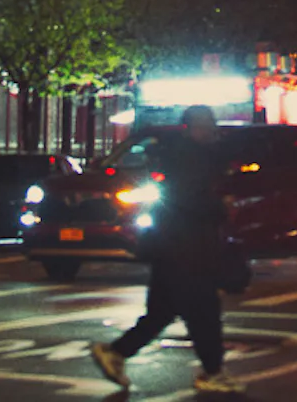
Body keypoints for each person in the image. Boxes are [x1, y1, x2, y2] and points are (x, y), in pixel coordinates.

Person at [91, 105, 241, 394]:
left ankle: (117, 352)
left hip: (170, 248)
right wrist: (220, 207)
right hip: (188, 250)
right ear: (191, 127)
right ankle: (213, 372)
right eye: (206, 124)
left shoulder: (179, 156)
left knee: (161, 312)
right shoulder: (192, 159)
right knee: (204, 312)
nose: (212, 129)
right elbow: (191, 201)